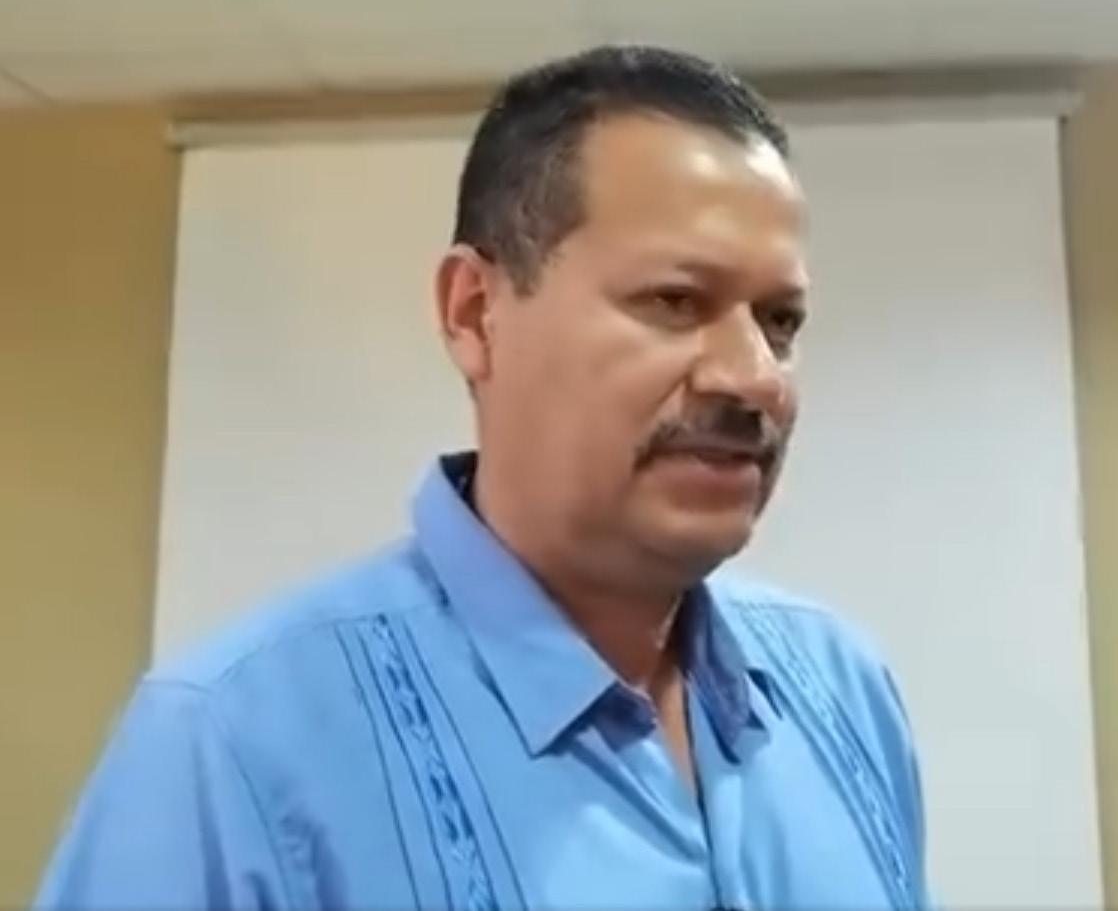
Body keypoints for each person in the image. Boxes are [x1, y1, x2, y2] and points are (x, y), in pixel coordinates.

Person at [35, 45, 928, 910]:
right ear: (474, 313)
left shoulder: (839, 687)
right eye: (674, 301)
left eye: (779, 321)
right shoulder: (230, 747)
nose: (755, 377)